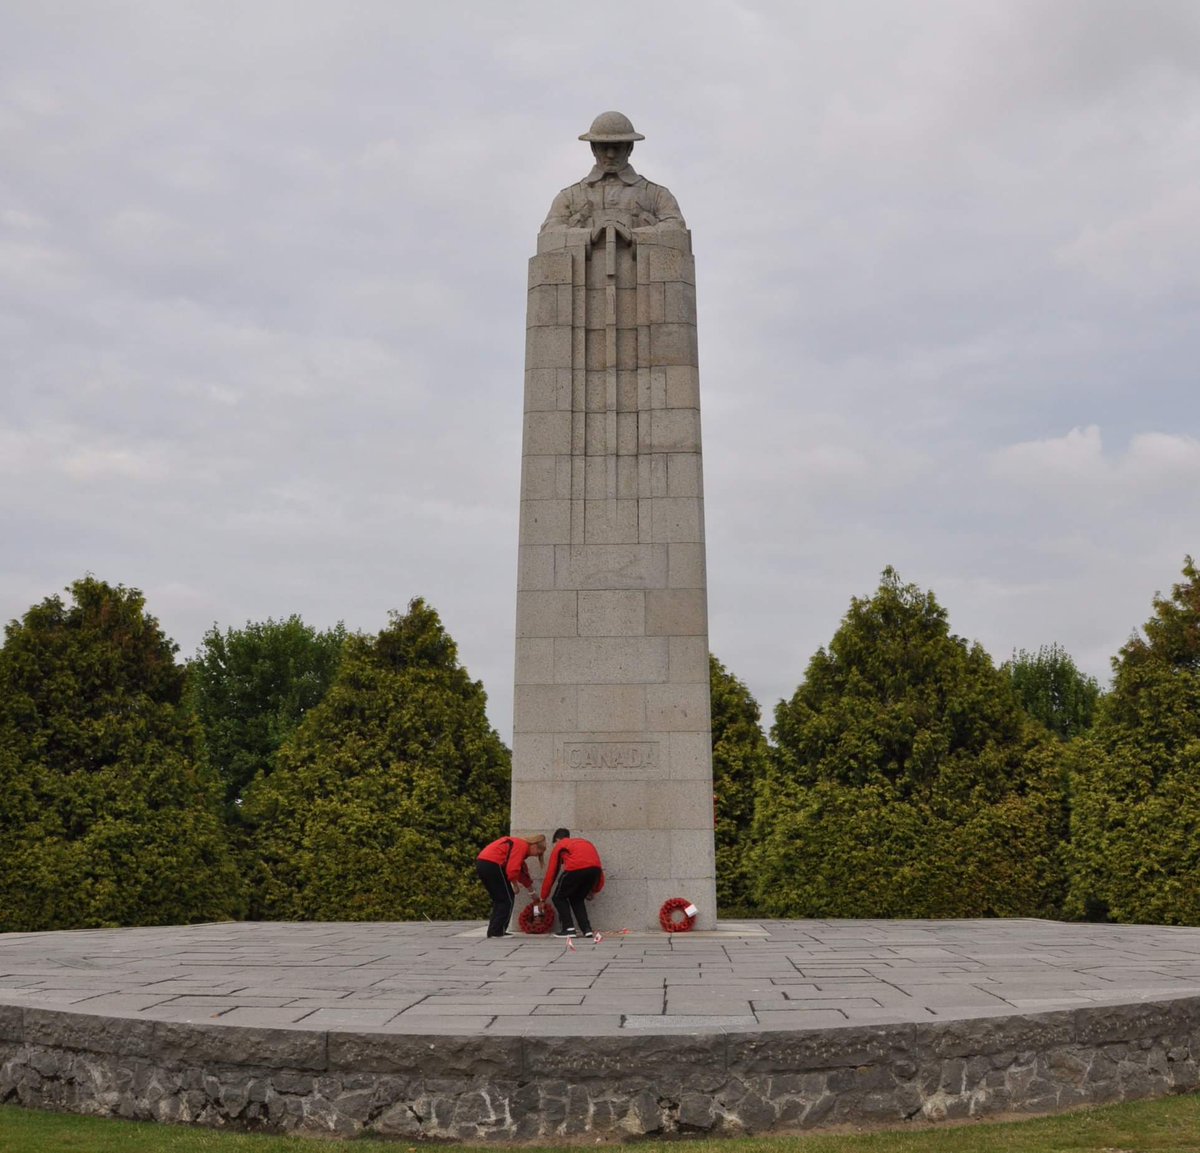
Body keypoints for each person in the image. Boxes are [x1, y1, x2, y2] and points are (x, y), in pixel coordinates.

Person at [540, 111, 686, 241]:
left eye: (617, 147)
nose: (610, 154)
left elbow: (677, 231)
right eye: (604, 147)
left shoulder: (657, 195)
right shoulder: (569, 196)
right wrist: (588, 236)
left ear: (630, 147)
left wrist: (635, 236)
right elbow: (549, 234)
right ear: (593, 148)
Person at [476, 833, 545, 938]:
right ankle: (497, 932)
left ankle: (494, 930)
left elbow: (522, 873)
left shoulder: (519, 846)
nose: (537, 855)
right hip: (493, 864)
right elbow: (512, 870)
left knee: (500, 899)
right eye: (539, 852)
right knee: (506, 899)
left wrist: (533, 894)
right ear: (534, 845)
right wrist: (515, 885)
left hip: (484, 863)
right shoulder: (522, 846)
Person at [541, 827, 605, 938]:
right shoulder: (585, 843)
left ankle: (568, 929)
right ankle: (587, 929)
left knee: (558, 897)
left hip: (575, 869)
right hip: (594, 871)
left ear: (557, 839)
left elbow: (552, 872)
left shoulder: (561, 845)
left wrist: (543, 897)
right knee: (577, 899)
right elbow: (598, 867)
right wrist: (595, 890)